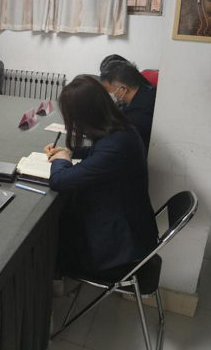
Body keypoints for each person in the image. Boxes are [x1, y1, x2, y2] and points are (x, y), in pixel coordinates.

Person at [45, 76, 158, 275]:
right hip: (130, 229)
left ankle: (54, 282)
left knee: (50, 234)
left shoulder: (115, 146)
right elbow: (97, 154)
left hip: (121, 250)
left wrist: (61, 159)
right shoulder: (123, 131)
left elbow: (59, 180)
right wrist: (69, 152)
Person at [100, 61, 157, 150]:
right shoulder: (144, 90)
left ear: (123, 89)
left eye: (107, 89)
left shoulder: (139, 116)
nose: (107, 92)